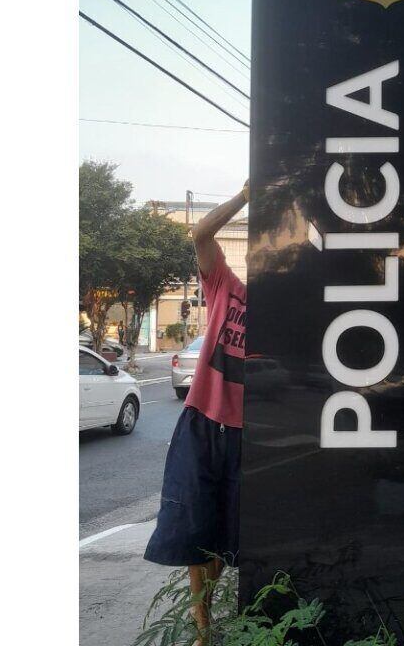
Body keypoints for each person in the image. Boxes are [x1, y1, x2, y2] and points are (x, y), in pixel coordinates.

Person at [144, 181, 248, 644]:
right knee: (193, 522)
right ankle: (203, 629)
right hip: (203, 419)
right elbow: (200, 235)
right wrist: (244, 197)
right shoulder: (226, 284)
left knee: (228, 527)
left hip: (248, 432)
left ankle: (212, 614)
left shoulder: (291, 311)